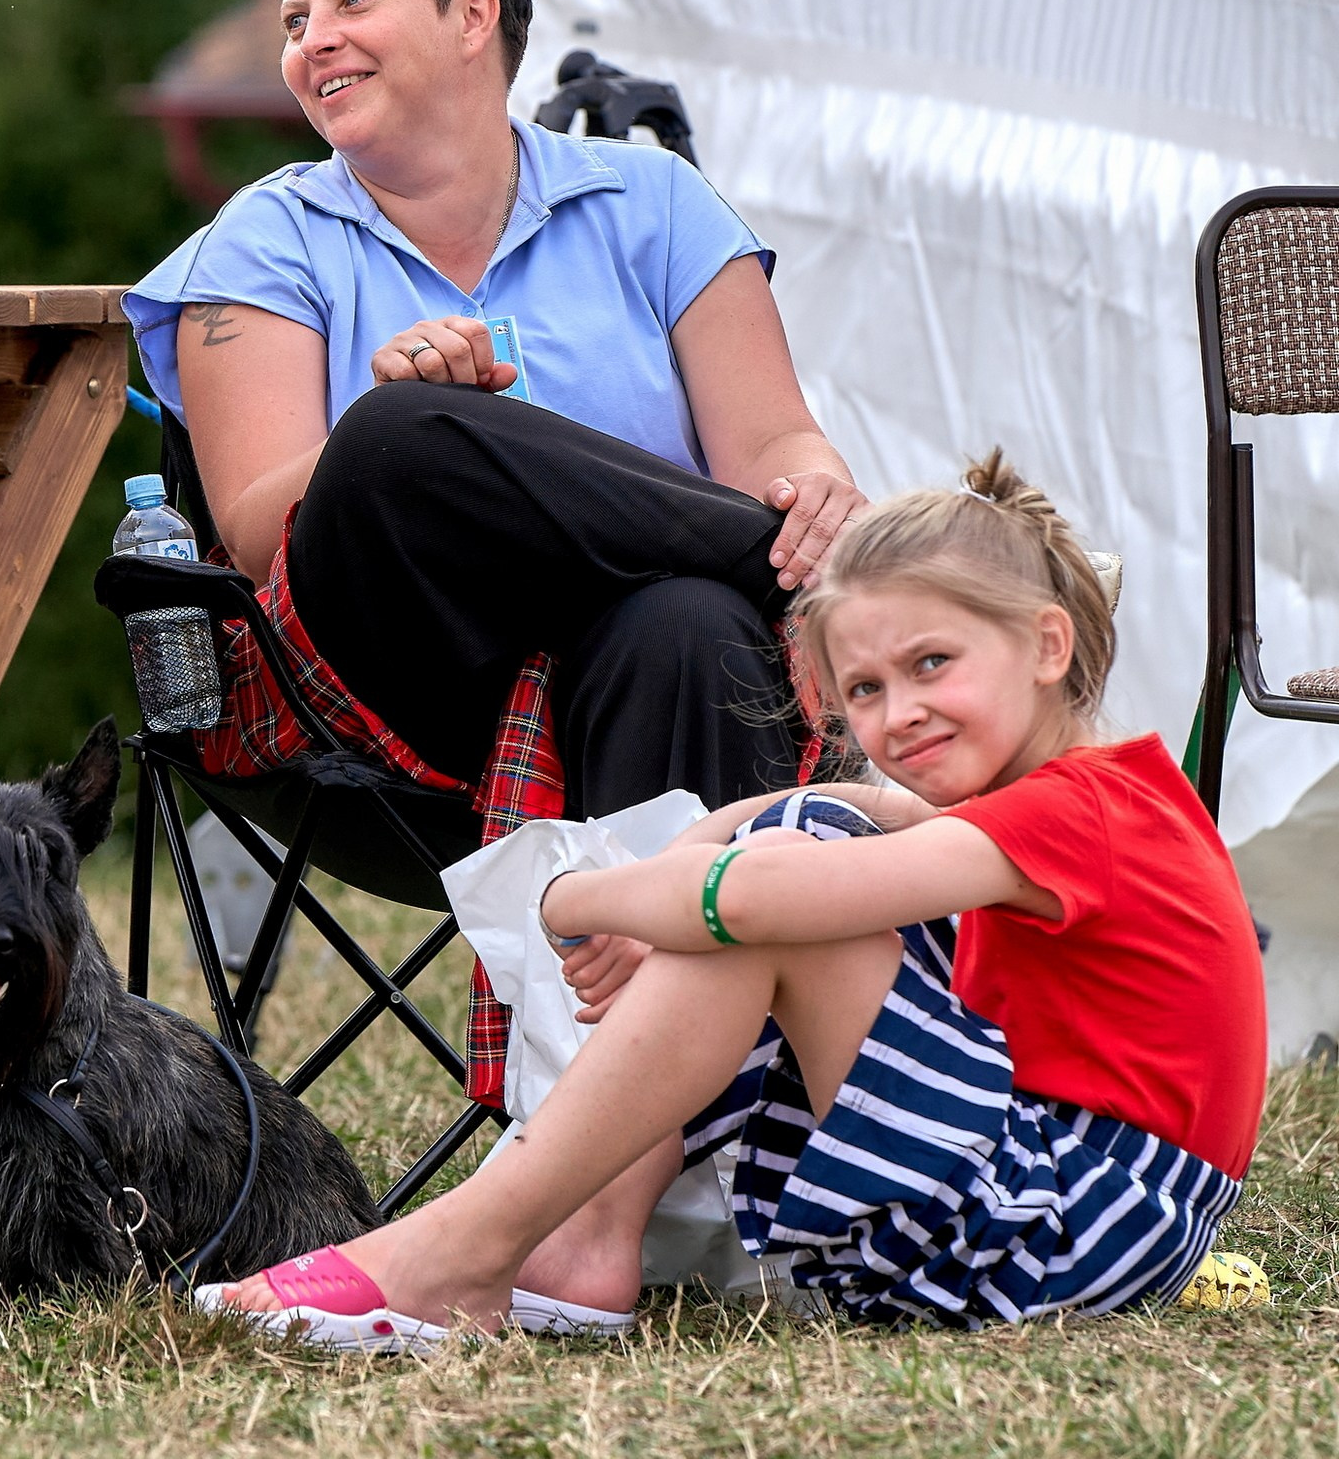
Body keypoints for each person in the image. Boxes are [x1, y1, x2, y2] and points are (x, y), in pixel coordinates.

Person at [203, 453, 1267, 1341]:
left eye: (931, 663)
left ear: (1046, 645)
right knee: (799, 843)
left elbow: (762, 903)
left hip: (1071, 1232)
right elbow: (853, 818)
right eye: (864, 690)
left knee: (784, 896)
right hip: (1081, 1213)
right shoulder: (1079, 798)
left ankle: (473, 1246)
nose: (899, 715)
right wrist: (721, 831)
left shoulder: (1083, 810)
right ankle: (571, 1247)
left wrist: (588, 897)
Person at [123, 0, 867, 850]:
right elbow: (261, 533)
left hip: (647, 651)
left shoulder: (657, 205)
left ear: (473, 17)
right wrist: (412, 422)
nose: (313, 43)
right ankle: (859, 593)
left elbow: (774, 441)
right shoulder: (261, 240)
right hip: (396, 676)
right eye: (297, 20)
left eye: (353, 0)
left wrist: (813, 489)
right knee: (399, 432)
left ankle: (652, 999)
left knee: (688, 623)